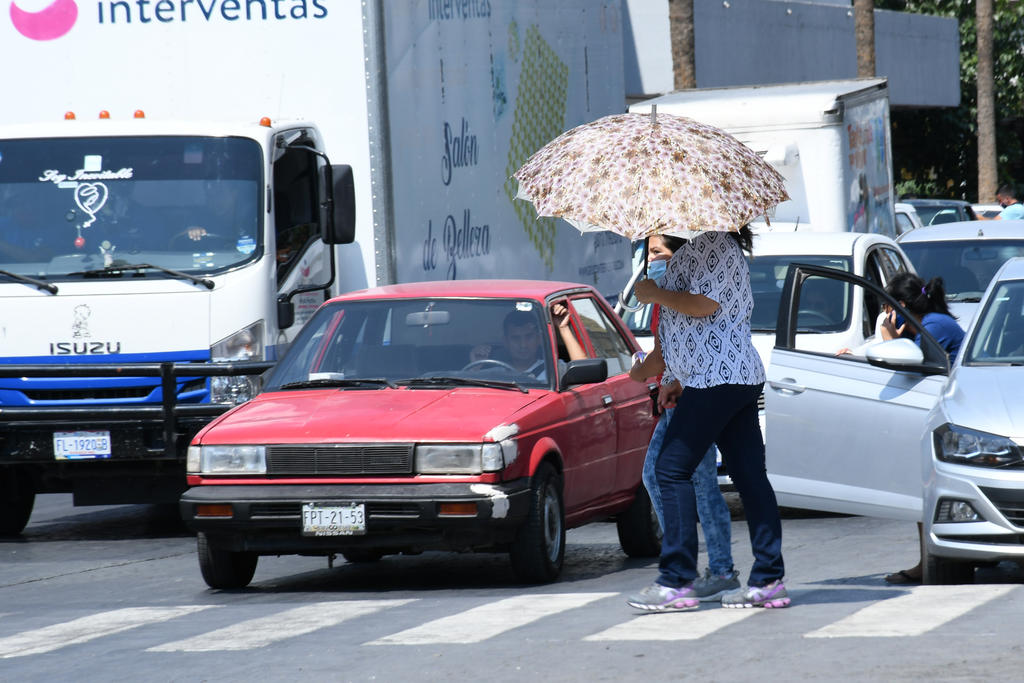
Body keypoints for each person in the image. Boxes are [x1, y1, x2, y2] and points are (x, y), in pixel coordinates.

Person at [626, 225, 789, 611]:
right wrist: (665, 375)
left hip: (717, 379)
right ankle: (768, 579)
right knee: (749, 478)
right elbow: (686, 333)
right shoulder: (697, 252)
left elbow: (706, 305)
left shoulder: (714, 244)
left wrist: (655, 295)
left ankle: (676, 581)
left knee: (670, 470)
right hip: (721, 378)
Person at [628, 234, 739, 601]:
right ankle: (694, 564)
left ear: (680, 254)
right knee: (672, 477)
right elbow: (668, 349)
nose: (653, 259)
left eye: (659, 251)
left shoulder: (675, 292)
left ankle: (693, 568)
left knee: (694, 480)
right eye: (650, 252)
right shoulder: (663, 296)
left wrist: (644, 374)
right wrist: (662, 378)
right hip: (681, 395)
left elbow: (695, 325)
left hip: (701, 393)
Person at [880, 272, 965, 584]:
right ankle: (927, 560)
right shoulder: (929, 324)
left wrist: (890, 337)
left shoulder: (934, 326)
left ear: (899, 305)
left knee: (925, 490)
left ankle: (930, 562)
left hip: (952, 419)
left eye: (888, 307)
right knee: (920, 491)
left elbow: (909, 365)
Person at [469, 303, 585, 381]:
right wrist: (475, 368)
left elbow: (584, 373)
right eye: (516, 338)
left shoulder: (554, 369)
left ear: (539, 338)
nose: (523, 345)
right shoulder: (492, 374)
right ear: (505, 341)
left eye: (528, 337)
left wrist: (563, 328)